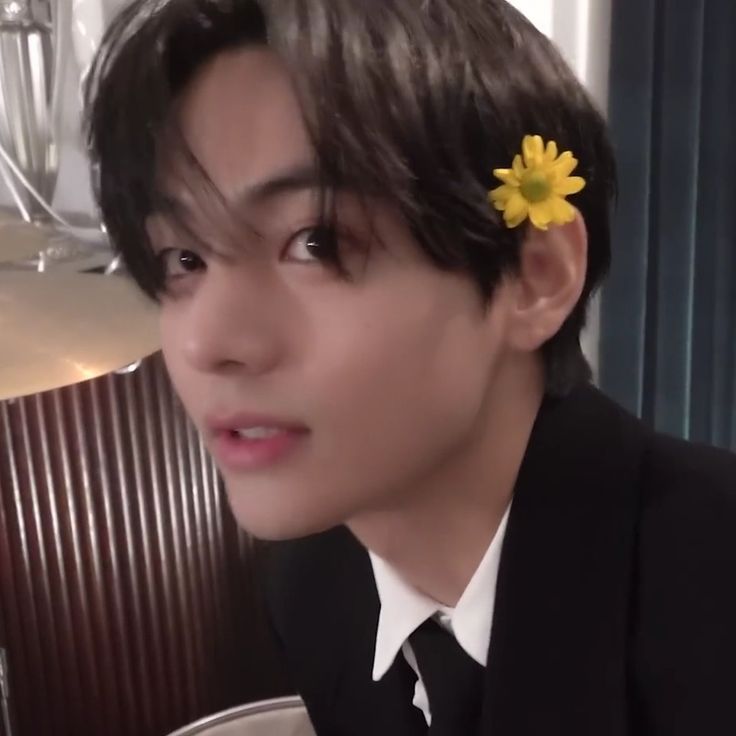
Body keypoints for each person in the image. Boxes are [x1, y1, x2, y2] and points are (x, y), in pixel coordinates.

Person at [84, 0, 736, 733]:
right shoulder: (315, 582)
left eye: (318, 243)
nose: (209, 341)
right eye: (185, 258)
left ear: (536, 275)